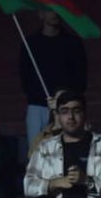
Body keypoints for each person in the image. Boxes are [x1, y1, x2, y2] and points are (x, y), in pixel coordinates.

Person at [20, 10, 87, 144]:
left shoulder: (73, 43)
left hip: (66, 106)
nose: (55, 13)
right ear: (41, 13)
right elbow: (24, 76)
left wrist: (66, 100)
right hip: (38, 105)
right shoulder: (30, 43)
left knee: (67, 147)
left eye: (57, 9)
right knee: (36, 150)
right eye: (49, 9)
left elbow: (81, 79)